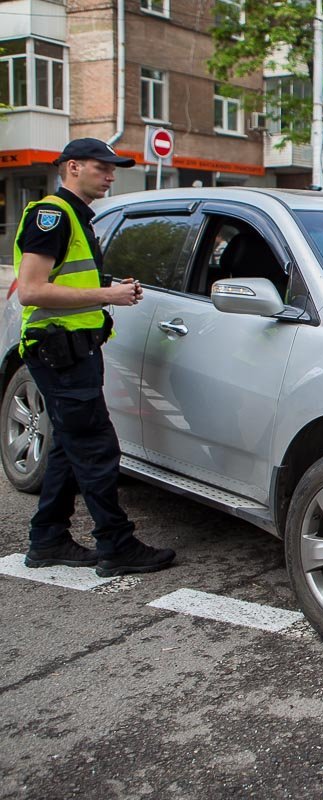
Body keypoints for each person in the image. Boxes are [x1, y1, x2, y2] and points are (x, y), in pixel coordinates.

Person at [14, 138, 175, 576]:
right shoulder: (52, 215)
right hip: (58, 351)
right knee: (97, 449)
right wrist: (108, 295)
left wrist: (109, 287)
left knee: (69, 446)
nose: (110, 175)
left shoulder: (76, 217)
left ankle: (48, 540)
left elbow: (67, 278)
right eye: (101, 167)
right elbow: (31, 288)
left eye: (112, 168)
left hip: (73, 350)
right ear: (72, 168)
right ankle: (116, 545)